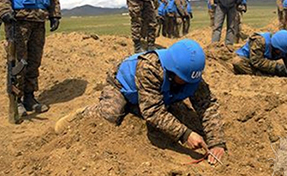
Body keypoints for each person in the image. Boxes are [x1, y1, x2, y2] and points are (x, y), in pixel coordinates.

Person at [55, 39, 227, 165]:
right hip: (121, 86)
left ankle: (134, 107)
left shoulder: (191, 75)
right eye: (185, 79)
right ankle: (84, 113)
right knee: (111, 114)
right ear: (173, 70)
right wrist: (185, 134)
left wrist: (216, 142)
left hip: (153, 93)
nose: (191, 84)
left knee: (175, 114)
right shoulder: (150, 68)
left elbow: (207, 105)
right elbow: (153, 111)